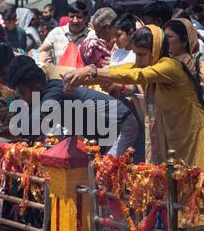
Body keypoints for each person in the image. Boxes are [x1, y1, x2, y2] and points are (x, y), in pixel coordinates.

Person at [63, 25, 204, 172]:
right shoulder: (146, 64)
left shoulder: (170, 67)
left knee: (200, 196)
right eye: (135, 54)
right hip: (177, 142)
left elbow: (135, 75)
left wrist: (91, 70)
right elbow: (120, 70)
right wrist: (81, 79)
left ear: (156, 50)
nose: (138, 60)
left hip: (198, 139)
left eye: (141, 54)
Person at [8, 55, 138, 156]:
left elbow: (30, 127)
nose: (21, 98)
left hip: (122, 124)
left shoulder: (54, 94)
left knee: (106, 172)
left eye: (22, 93)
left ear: (36, 88)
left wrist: (2, 131)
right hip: (102, 134)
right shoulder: (43, 95)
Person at [163, 18, 204, 111]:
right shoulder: (166, 62)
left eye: (169, 37)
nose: (164, 41)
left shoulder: (200, 63)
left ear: (185, 40)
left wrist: (188, 100)